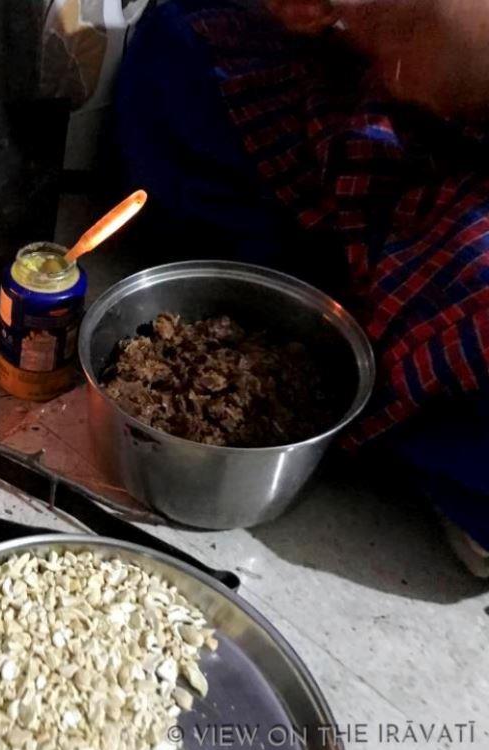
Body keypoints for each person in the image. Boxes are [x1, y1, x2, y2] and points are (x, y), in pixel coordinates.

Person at [114, 0, 489, 574]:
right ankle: (314, 295)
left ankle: (421, 420)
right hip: (370, 105)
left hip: (469, 179)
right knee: (180, 40)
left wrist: (451, 47)